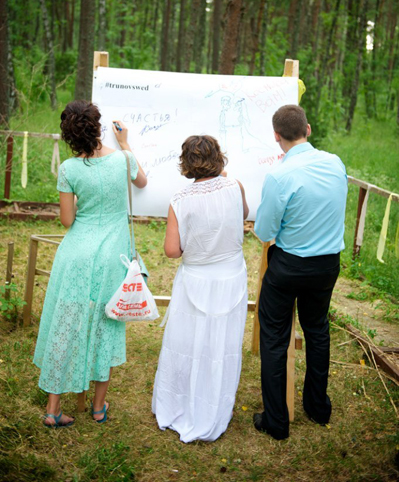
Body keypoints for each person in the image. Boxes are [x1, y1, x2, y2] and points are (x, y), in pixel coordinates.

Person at [33, 100, 147, 427]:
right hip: (112, 252)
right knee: (106, 324)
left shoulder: (68, 169)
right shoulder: (123, 160)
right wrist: (125, 142)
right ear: (98, 128)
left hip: (76, 253)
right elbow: (143, 183)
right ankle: (98, 407)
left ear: (69, 135)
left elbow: (67, 220)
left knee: (65, 323)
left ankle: (53, 409)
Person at [253, 105, 347, 440]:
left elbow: (265, 231)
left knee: (275, 338)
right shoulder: (336, 163)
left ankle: (277, 422)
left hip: (289, 266)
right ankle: (318, 408)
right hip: (327, 265)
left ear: (276, 136)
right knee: (317, 330)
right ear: (307, 129)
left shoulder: (279, 176)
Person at [152, 135, 249, 442]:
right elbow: (243, 215)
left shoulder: (179, 201)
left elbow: (171, 251)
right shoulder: (236, 187)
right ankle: (214, 405)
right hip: (231, 277)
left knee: (187, 343)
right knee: (222, 343)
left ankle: (179, 402)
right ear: (219, 159)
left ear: (186, 163)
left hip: (195, 280)